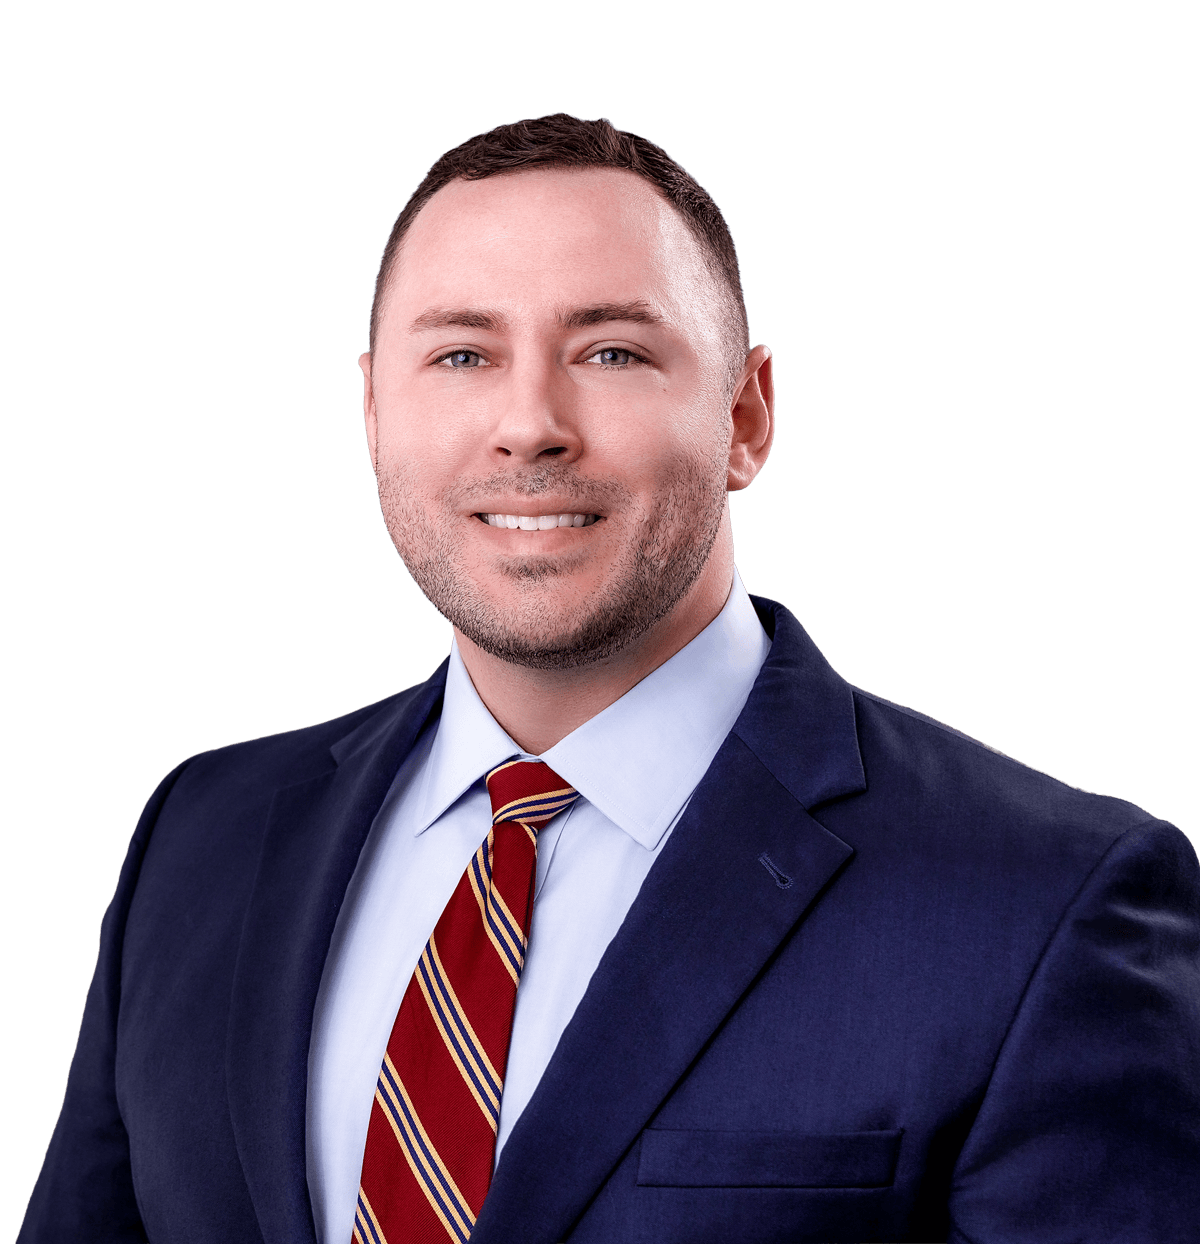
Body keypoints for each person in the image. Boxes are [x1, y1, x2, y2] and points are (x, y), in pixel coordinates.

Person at [19, 114, 1200, 1244]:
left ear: (746, 417)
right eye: (464, 352)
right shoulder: (203, 835)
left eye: (612, 351)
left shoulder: (1045, 902)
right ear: (376, 413)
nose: (529, 423)